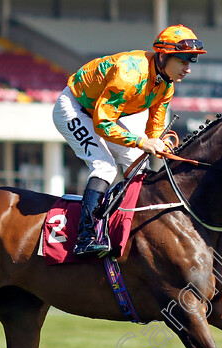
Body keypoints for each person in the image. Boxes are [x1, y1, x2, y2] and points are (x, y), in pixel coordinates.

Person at [53, 24, 206, 256]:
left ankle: (124, 222)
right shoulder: (129, 75)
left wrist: (157, 141)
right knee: (104, 166)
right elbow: (102, 124)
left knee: (138, 163)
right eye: (184, 61)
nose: (188, 69)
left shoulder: (166, 85)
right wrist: (143, 142)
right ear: (164, 56)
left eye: (191, 62)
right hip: (74, 108)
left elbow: (154, 125)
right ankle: (85, 237)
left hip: (99, 113)